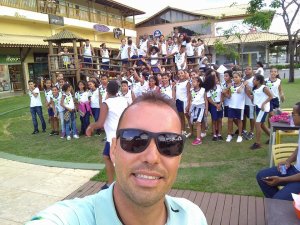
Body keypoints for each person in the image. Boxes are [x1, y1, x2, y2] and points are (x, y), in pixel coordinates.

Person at [26, 92, 208, 225]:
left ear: (179, 156)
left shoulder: (193, 217)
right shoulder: (73, 218)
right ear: (113, 149)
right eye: (135, 140)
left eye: (169, 143)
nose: (152, 158)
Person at [87, 80, 129, 190]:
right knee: (106, 156)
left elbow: (100, 123)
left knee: (117, 162)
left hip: (113, 137)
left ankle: (123, 187)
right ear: (118, 90)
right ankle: (110, 183)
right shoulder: (123, 100)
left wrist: (90, 126)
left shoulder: (106, 103)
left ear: (106, 90)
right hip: (123, 133)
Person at [256, 102, 300, 201]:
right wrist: (288, 161)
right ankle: (278, 204)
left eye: (293, 114)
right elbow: (298, 148)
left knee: (279, 199)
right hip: (295, 171)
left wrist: (281, 180)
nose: (291, 116)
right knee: (262, 177)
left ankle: (278, 203)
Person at [249, 74, 273, 150]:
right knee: (261, 124)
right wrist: (252, 98)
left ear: (258, 81)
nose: (253, 81)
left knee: (257, 124)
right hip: (258, 108)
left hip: (263, 108)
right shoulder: (255, 88)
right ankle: (272, 137)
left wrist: (263, 104)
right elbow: (255, 100)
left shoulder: (264, 88)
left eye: (254, 79)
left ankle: (258, 143)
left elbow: (271, 96)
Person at [226, 71, 245, 143]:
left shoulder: (243, 85)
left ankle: (240, 135)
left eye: (236, 77)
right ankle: (229, 135)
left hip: (240, 106)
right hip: (231, 105)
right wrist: (225, 93)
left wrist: (242, 86)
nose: (235, 79)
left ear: (240, 78)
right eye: (234, 77)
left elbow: (249, 91)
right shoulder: (231, 85)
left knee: (239, 121)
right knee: (230, 120)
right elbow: (229, 96)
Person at [189, 77, 208, 145]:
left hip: (201, 107)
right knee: (194, 122)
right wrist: (190, 109)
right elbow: (191, 100)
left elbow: (206, 100)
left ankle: (198, 139)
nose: (192, 83)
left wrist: (206, 109)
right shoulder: (191, 90)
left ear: (198, 83)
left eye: (194, 82)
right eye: (192, 82)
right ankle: (199, 135)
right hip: (194, 107)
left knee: (198, 122)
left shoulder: (203, 90)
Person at [205, 72, 223, 141]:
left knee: (220, 119)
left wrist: (220, 104)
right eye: (215, 78)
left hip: (220, 104)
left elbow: (221, 95)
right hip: (213, 105)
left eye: (217, 78)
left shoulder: (219, 86)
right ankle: (214, 135)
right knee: (214, 120)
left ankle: (219, 134)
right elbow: (209, 98)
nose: (217, 79)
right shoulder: (209, 88)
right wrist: (216, 105)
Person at [173, 70, 191, 138]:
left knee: (188, 116)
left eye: (181, 73)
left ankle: (191, 131)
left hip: (184, 101)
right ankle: (183, 130)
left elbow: (188, 93)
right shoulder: (177, 83)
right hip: (178, 101)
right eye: (179, 73)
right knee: (181, 117)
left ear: (184, 73)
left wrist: (188, 103)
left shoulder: (187, 82)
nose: (180, 74)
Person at [243, 66, 255, 140]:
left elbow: (255, 90)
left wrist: (249, 89)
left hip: (250, 102)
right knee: (243, 116)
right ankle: (244, 130)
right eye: (246, 69)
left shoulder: (254, 79)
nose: (247, 70)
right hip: (242, 101)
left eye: (249, 69)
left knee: (251, 117)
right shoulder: (243, 78)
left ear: (252, 71)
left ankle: (251, 131)